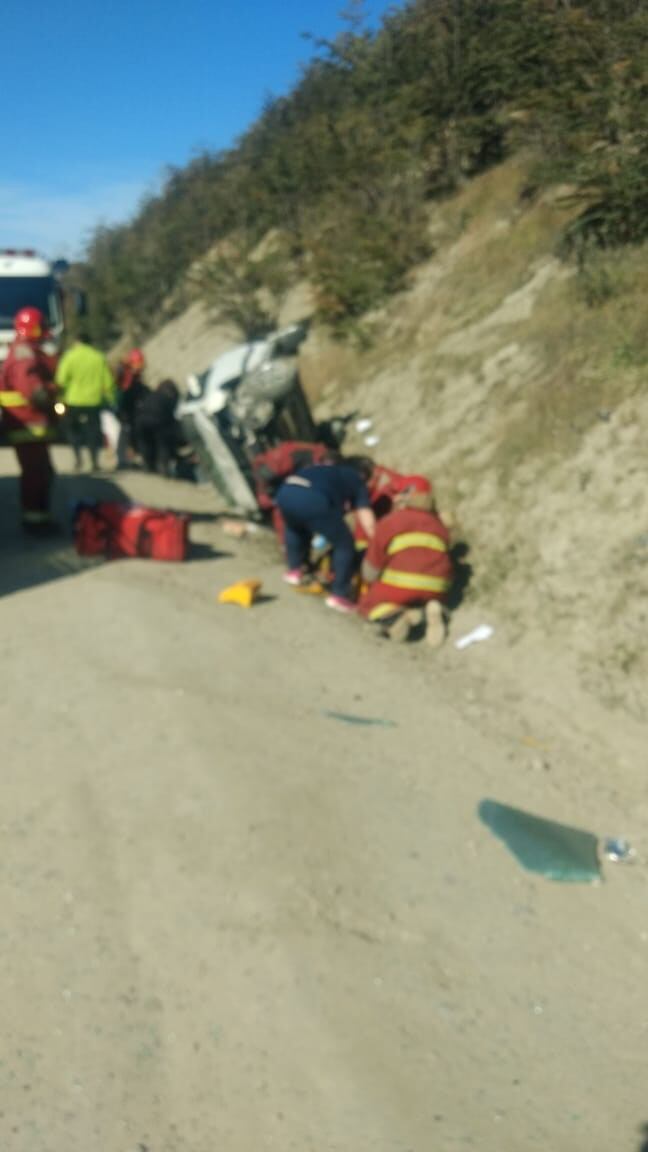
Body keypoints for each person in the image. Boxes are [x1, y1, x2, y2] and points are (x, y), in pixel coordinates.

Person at [357, 476, 453, 645]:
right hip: (437, 587)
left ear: (405, 496)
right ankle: (426, 610)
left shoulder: (392, 521)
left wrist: (368, 579)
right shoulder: (439, 525)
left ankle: (395, 618)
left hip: (400, 585)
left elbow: (372, 567)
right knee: (418, 593)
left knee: (367, 605)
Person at [275, 459, 375, 613]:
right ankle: (339, 595)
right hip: (312, 498)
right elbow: (365, 515)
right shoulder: (355, 478)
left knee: (295, 528)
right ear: (362, 474)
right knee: (345, 544)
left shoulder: (325, 469)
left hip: (285, 492)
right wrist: (376, 540)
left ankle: (294, 571)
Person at [0, 307, 60, 532]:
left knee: (41, 472)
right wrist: (53, 390)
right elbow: (35, 393)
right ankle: (36, 522)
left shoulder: (24, 351)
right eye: (41, 325)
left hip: (27, 425)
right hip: (29, 426)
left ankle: (39, 517)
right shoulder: (24, 354)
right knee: (37, 474)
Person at [55, 332, 116, 471]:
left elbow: (61, 380)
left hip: (73, 401)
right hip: (94, 402)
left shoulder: (70, 357)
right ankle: (94, 461)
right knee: (93, 432)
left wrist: (59, 396)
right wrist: (110, 399)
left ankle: (78, 459)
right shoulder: (98, 357)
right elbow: (108, 383)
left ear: (77, 341)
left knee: (73, 431)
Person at [134, 378, 181, 476]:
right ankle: (162, 467)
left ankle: (148, 465)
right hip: (158, 423)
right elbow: (172, 417)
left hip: (141, 422)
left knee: (146, 444)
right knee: (163, 445)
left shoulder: (150, 395)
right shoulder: (168, 398)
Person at [115, 348, 149, 468]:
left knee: (127, 432)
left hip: (128, 407)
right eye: (137, 365)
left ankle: (126, 458)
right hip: (125, 407)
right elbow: (126, 392)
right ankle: (123, 460)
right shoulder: (126, 374)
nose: (139, 368)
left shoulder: (130, 374)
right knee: (125, 432)